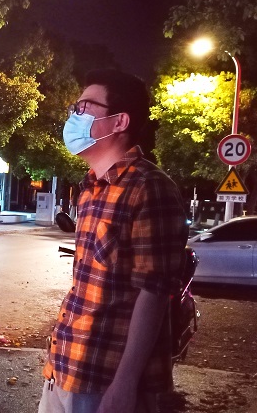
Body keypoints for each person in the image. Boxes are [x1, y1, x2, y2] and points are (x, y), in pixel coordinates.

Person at [40, 69, 188, 413]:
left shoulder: (149, 187)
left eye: (83, 107)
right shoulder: (92, 187)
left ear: (119, 121)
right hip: (67, 368)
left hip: (107, 381)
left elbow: (154, 293)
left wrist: (125, 383)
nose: (73, 116)